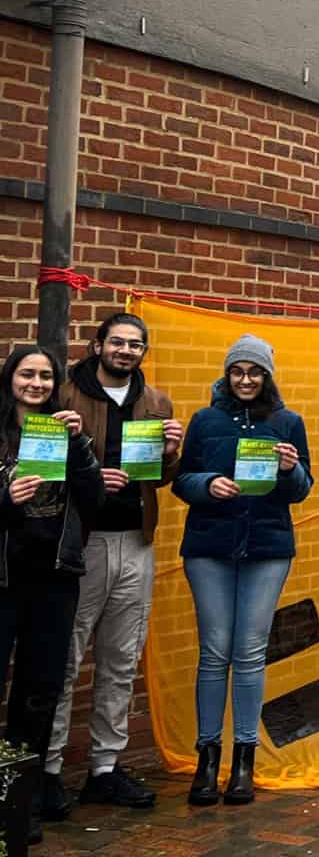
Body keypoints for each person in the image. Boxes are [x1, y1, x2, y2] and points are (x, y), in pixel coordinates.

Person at [42, 313, 182, 820]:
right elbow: (39, 467)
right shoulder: (64, 395)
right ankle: (49, 772)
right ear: (97, 344)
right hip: (81, 544)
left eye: (135, 345)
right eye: (117, 342)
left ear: (144, 352)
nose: (125, 351)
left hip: (136, 541)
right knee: (65, 657)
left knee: (121, 660)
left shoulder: (156, 401)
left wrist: (170, 452)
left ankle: (104, 768)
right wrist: (89, 476)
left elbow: (163, 478)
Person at [171, 335, 311, 807]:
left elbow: (301, 489)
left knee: (250, 652)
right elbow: (181, 480)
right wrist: (209, 484)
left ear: (267, 375)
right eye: (238, 371)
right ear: (227, 376)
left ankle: (244, 761)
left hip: (267, 549)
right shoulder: (205, 420)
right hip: (209, 547)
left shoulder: (288, 422)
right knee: (214, 652)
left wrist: (291, 469)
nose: (246, 380)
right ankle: (207, 759)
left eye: (254, 372)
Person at [0, 345, 104, 842]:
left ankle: (19, 802)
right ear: (11, 379)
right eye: (27, 374)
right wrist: (4, 498)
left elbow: (94, 499)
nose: (36, 384)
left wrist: (81, 447)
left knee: (39, 693)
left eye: (45, 376)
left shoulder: (63, 433)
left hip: (54, 579)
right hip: (2, 581)